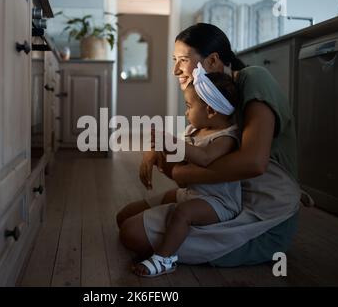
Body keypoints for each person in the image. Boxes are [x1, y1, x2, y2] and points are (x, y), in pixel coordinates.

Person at [116, 23, 301, 271]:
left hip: (261, 212)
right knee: (124, 217)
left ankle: (167, 255)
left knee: (131, 233)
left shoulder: (253, 78)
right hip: (214, 192)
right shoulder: (208, 99)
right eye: (175, 60)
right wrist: (157, 152)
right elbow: (189, 144)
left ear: (213, 60)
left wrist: (180, 174)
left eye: (182, 60)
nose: (175, 70)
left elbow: (254, 163)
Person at [133, 65, 242, 277]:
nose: (185, 112)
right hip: (195, 193)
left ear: (210, 110)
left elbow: (204, 157)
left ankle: (165, 258)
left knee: (183, 213)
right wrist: (154, 152)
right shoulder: (194, 129)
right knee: (133, 212)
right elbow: (177, 155)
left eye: (188, 106)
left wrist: (173, 143)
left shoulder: (226, 137)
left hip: (219, 202)